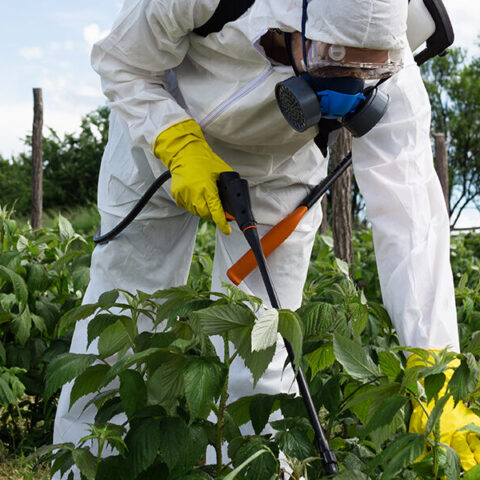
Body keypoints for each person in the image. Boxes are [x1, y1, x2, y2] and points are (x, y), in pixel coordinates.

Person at [53, 0, 479, 476]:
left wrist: (435, 369)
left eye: (365, 73)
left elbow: (411, 217)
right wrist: (175, 140)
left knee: (260, 340)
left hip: (281, 167)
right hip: (158, 128)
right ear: (297, 19)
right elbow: (121, 60)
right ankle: (82, 467)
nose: (346, 87)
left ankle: (248, 466)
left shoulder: (396, 62)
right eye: (331, 64)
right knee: (124, 308)